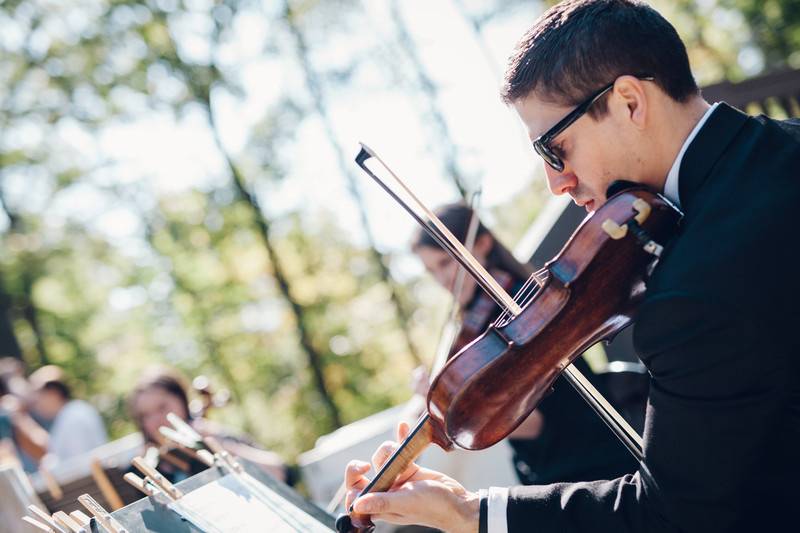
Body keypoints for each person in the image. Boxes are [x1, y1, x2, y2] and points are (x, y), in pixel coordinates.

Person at [343, 1, 800, 532]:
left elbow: (675, 513)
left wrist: (471, 514)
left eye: (555, 149)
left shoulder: (694, 288)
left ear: (630, 101)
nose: (554, 183)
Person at [411, 203, 637, 485]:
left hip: (592, 468)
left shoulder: (525, 309)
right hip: (550, 472)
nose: (442, 280)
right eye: (431, 271)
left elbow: (536, 425)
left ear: (481, 243)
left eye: (445, 263)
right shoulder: (476, 323)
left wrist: (453, 414)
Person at [128, 367, 290, 484]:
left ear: (183, 402)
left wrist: (219, 445)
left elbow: (279, 472)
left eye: (162, 407)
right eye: (146, 415)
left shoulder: (214, 436)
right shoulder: (145, 469)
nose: (156, 420)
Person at [28, 365, 108, 465]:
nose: (36, 404)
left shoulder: (73, 417)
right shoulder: (71, 413)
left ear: (53, 393)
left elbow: (79, 462)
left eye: (38, 396)